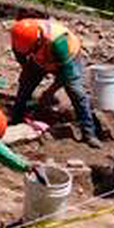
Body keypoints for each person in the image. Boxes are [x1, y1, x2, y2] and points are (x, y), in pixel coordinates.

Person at [9, 18, 101, 148]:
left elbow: (65, 76)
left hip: (68, 58)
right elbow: (20, 54)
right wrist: (27, 72)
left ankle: (89, 132)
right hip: (41, 58)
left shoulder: (59, 42)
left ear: (38, 40)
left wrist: (49, 92)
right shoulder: (21, 36)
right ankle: (16, 119)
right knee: (25, 85)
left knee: (76, 92)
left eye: (32, 50)